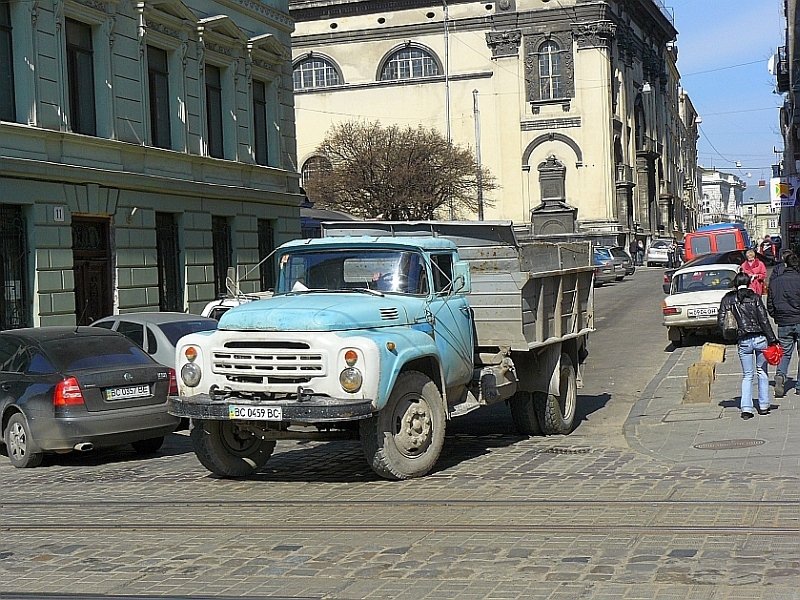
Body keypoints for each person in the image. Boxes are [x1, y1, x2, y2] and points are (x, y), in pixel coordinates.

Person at [718, 272, 779, 419]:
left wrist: (732, 336)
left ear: (735, 283)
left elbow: (721, 321)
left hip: (743, 340)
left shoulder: (728, 299)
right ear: (748, 282)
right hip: (760, 339)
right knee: (762, 372)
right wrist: (772, 339)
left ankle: (746, 408)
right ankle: (764, 405)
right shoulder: (755, 297)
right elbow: (764, 320)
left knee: (747, 375)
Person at [767, 252, 800, 397]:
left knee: (785, 353)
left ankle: (780, 376)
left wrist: (777, 316)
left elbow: (770, 304)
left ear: (785, 265)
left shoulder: (775, 282)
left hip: (784, 322)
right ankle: (799, 386)